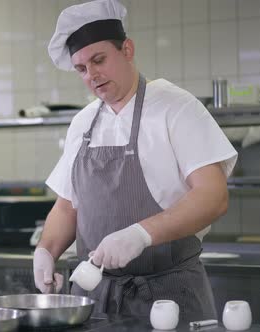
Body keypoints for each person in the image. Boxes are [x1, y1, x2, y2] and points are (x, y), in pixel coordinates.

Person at [33, 0, 237, 322]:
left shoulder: (176, 108)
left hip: (168, 297)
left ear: (127, 49)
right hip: (95, 303)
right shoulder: (83, 123)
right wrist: (46, 250)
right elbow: (67, 206)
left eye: (99, 60)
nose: (92, 75)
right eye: (81, 69)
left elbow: (213, 196)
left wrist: (141, 234)